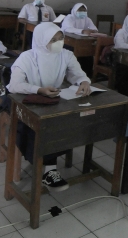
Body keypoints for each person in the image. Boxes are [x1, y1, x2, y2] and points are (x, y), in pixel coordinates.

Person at [7, 22, 92, 192]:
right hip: (26, 100)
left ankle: (49, 165)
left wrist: (84, 81)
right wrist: (38, 89)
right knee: (39, 126)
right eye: (53, 39)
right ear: (40, 40)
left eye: (61, 38)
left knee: (67, 121)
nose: (58, 43)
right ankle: (48, 169)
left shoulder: (66, 54)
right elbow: (14, 85)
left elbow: (78, 73)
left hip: (52, 99)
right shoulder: (27, 57)